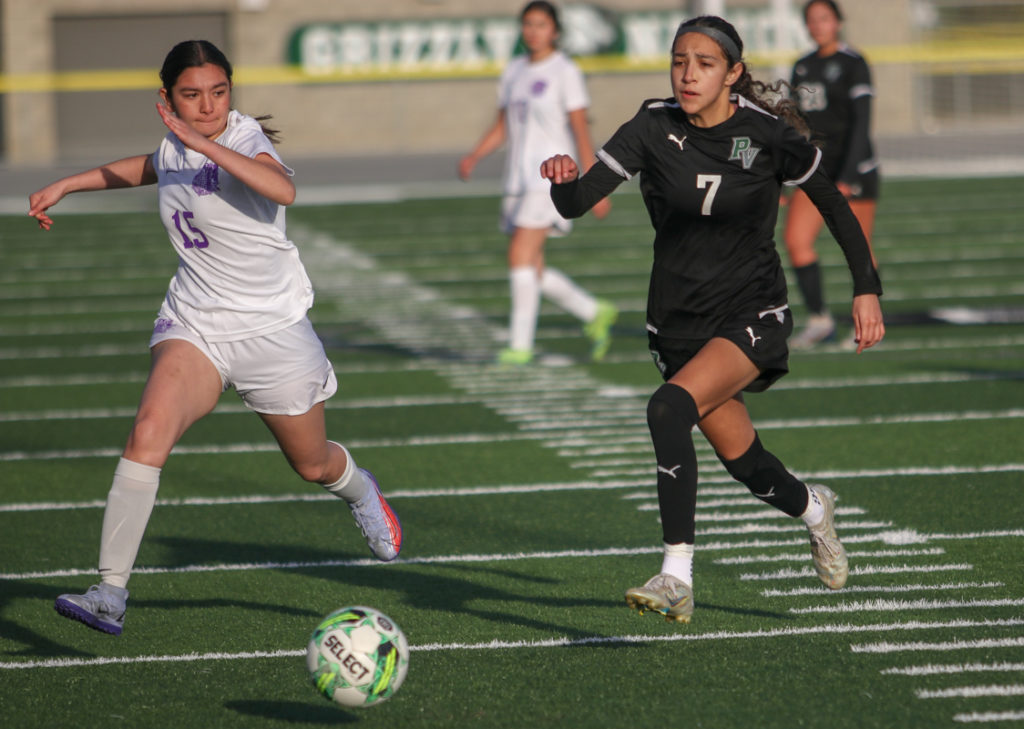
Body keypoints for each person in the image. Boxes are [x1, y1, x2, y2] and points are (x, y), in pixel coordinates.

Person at [28, 40, 402, 636]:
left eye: (219, 92)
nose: (208, 106)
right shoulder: (178, 141)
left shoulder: (245, 138)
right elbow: (153, 167)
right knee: (149, 430)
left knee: (312, 464)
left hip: (272, 330)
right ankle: (109, 592)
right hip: (196, 322)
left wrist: (204, 142)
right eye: (191, 96)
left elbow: (282, 190)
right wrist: (68, 184)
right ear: (167, 99)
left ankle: (359, 491)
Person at [540, 15, 884, 623]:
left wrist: (866, 289)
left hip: (751, 310)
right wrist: (560, 181)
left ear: (733, 73)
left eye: (703, 63)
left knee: (666, 409)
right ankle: (814, 509)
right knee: (747, 465)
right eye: (679, 61)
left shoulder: (769, 136)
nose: (688, 73)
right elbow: (576, 201)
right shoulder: (651, 125)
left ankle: (676, 576)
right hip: (676, 319)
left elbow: (833, 203)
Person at [459, 0, 617, 365]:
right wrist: (475, 156)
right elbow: (502, 126)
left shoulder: (565, 71)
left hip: (549, 179)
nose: (533, 30)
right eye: (528, 24)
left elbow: (580, 129)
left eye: (541, 24)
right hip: (516, 178)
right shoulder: (514, 70)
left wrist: (597, 185)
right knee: (533, 266)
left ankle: (520, 345)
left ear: (555, 31)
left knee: (519, 256)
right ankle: (594, 311)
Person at [784, 0, 880, 348]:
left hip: (853, 170)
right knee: (796, 241)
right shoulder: (802, 66)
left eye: (824, 18)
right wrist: (780, 176)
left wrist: (849, 175)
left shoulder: (854, 63)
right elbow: (793, 126)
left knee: (859, 248)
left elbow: (861, 124)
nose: (818, 25)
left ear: (838, 22)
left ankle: (870, 324)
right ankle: (820, 319)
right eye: (811, 19)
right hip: (816, 171)